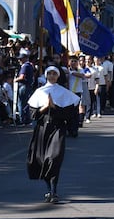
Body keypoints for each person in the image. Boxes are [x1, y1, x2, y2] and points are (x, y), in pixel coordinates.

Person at [26, 65, 80, 203]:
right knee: (43, 159)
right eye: (49, 73)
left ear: (58, 75)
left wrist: (54, 107)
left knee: (54, 158)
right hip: (43, 128)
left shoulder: (63, 92)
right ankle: (49, 189)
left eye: (54, 74)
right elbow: (33, 114)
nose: (51, 76)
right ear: (45, 75)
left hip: (57, 128)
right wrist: (45, 107)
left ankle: (54, 189)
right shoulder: (39, 92)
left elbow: (69, 114)